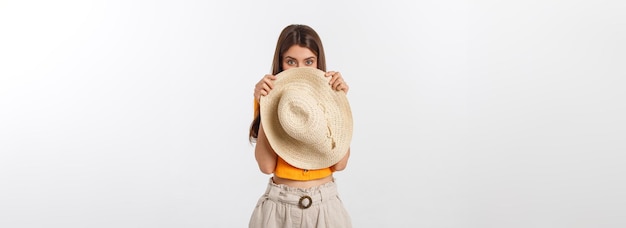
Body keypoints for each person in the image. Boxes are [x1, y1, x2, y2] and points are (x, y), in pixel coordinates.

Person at [248, 24, 352, 228]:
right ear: (280, 63)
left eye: (309, 61)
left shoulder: (329, 99)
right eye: (290, 61)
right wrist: (266, 105)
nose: (300, 69)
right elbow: (266, 166)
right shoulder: (270, 100)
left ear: (318, 63)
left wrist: (339, 104)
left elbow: (339, 164)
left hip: (325, 207)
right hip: (279, 207)